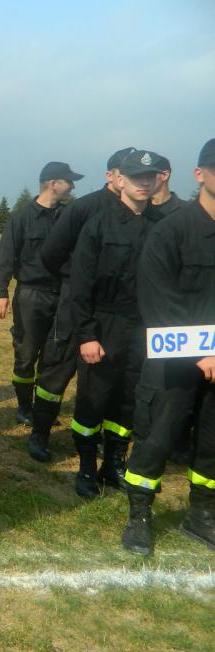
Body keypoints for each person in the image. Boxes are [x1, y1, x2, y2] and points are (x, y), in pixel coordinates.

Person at [121, 139, 215, 555]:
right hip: (174, 360)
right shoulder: (171, 231)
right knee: (156, 439)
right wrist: (203, 352)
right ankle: (139, 515)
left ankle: (202, 515)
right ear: (199, 174)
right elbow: (158, 300)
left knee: (212, 444)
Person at [28, 147, 135, 461]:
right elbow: (51, 252)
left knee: (105, 376)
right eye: (125, 173)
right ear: (112, 175)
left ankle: (95, 435)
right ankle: (40, 431)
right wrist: (72, 279)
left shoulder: (140, 213)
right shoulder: (85, 207)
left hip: (113, 311)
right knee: (57, 367)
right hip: (74, 302)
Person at [69, 151, 163, 498]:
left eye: (149, 176)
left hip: (143, 328)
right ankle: (85, 467)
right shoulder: (98, 225)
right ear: (119, 180)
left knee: (129, 399)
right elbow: (80, 286)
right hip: (104, 324)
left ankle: (113, 464)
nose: (143, 183)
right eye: (136, 176)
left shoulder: (162, 227)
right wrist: (86, 335)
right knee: (93, 399)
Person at [0, 162, 83, 425]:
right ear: (52, 183)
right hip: (31, 295)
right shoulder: (21, 218)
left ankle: (43, 410)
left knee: (54, 355)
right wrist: (0, 292)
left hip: (63, 295)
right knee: (26, 354)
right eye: (68, 181)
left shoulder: (69, 218)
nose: (72, 186)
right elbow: (5, 257)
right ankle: (24, 407)